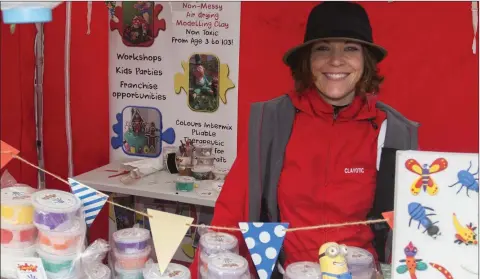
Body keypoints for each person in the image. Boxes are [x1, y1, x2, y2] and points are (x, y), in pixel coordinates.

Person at [190, 2, 419, 278]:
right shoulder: (274, 122)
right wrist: (204, 269)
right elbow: (232, 211)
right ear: (308, 61)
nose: (336, 60)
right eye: (323, 48)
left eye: (350, 48)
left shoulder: (391, 131)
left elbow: (413, 228)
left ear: (365, 61)